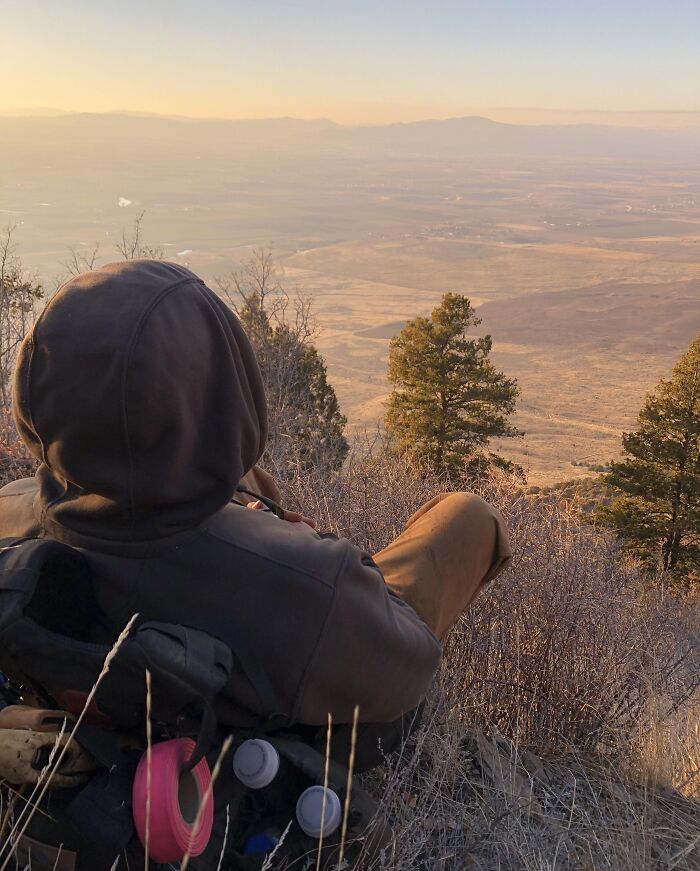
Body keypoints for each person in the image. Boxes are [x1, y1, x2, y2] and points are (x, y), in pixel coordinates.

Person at [0, 260, 511, 738]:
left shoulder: (10, 508)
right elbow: (408, 667)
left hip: (141, 638)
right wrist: (321, 550)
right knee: (468, 517)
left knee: (250, 480)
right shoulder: (314, 586)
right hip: (297, 689)